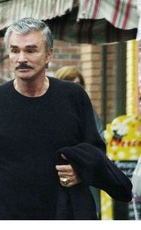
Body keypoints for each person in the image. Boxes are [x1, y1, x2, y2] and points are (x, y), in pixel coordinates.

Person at [0, 17, 132, 220]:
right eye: (15, 50)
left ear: (49, 54)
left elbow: (95, 153)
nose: (21, 58)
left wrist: (80, 169)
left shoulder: (73, 97)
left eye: (30, 50)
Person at [54, 65, 105, 218]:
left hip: (83, 183)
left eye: (79, 85)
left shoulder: (86, 110)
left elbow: (98, 142)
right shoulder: (50, 109)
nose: (76, 90)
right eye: (70, 84)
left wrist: (81, 164)